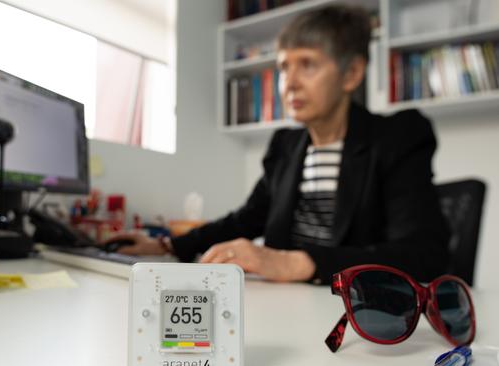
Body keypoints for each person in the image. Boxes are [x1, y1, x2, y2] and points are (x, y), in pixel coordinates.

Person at [105, 4, 450, 285]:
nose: (290, 83)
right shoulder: (286, 145)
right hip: (284, 305)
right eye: (284, 67)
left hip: (357, 317)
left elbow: (423, 254)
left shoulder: (398, 136)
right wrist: (165, 245)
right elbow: (246, 220)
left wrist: (293, 263)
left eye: (308, 64)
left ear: (352, 74)